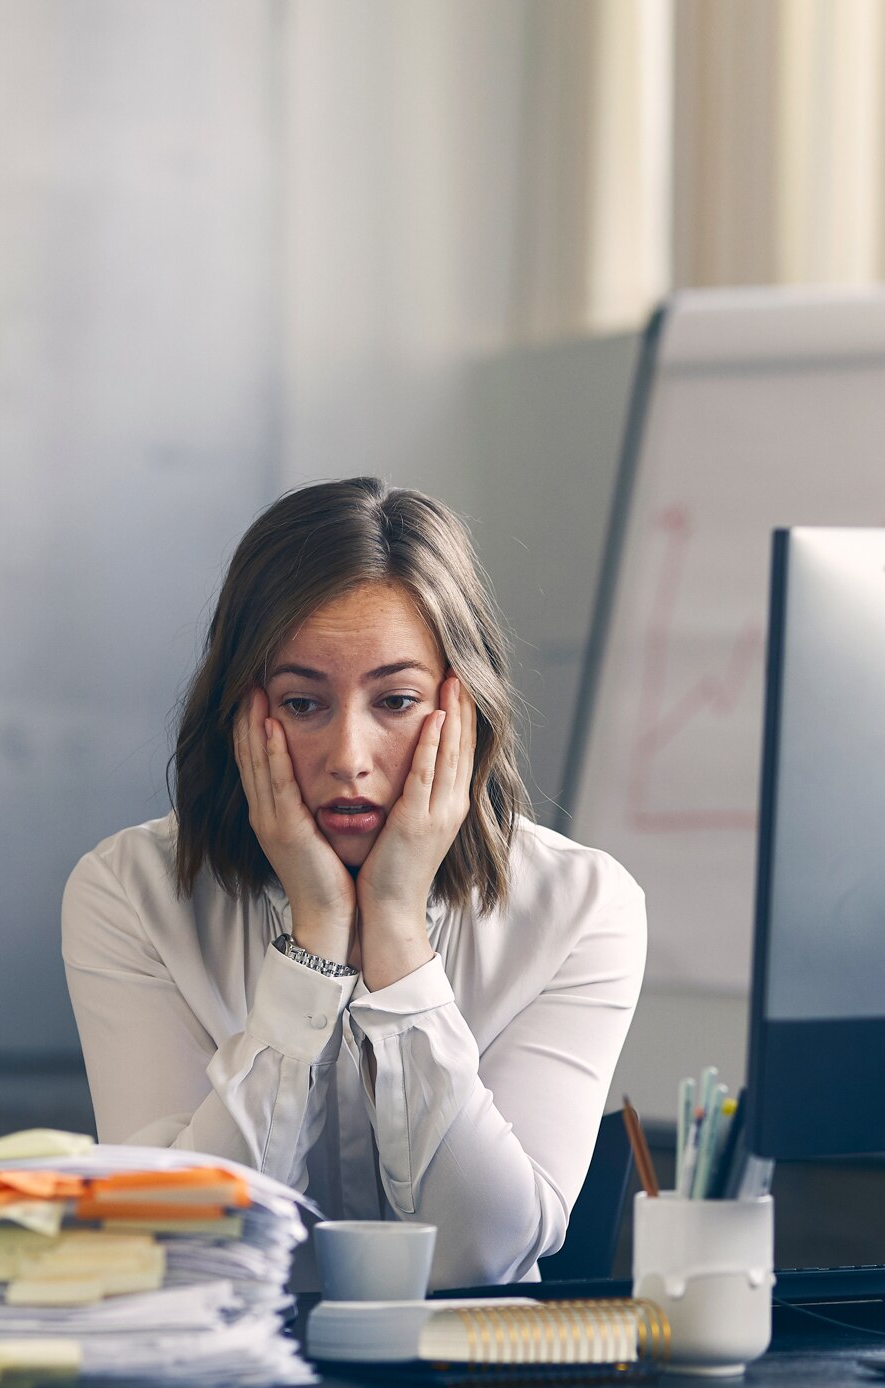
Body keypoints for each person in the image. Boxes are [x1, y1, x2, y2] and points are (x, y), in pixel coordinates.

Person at [62, 476, 647, 1293]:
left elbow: (477, 1257)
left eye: (397, 700)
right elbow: (182, 1250)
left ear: (464, 707)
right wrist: (315, 938)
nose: (349, 758)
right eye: (303, 703)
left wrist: (398, 932)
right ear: (241, 711)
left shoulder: (583, 908)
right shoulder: (129, 893)